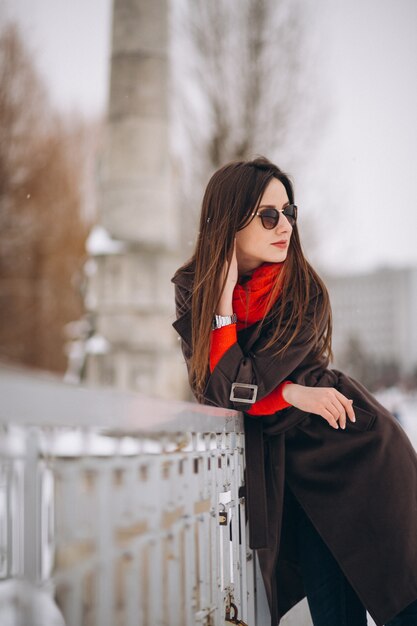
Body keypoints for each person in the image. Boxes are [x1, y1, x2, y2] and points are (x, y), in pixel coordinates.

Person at [171, 156, 417, 626]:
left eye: (289, 213)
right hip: (295, 482)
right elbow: (214, 393)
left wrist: (280, 391)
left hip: (356, 456)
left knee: (404, 605)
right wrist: (224, 311)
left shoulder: (300, 290)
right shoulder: (194, 287)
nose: (284, 225)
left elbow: (240, 385)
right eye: (269, 215)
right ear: (230, 220)